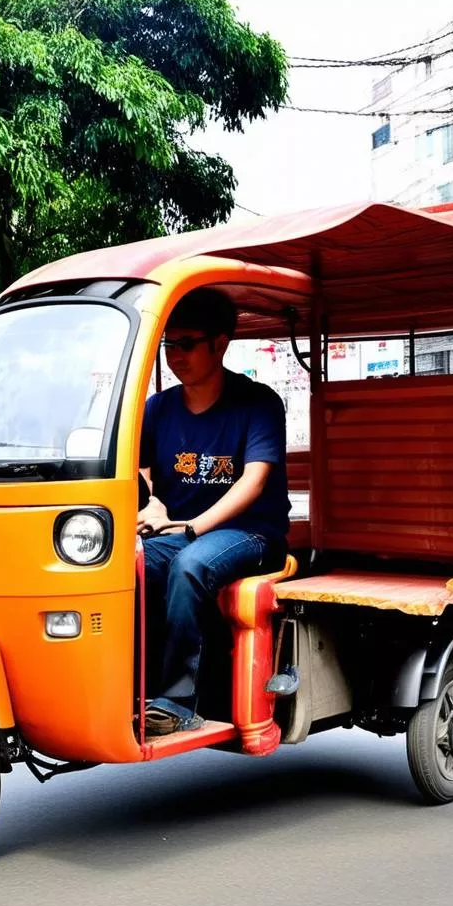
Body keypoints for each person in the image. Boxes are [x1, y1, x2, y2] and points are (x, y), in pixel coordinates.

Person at [138, 288, 290, 736]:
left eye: (186, 344)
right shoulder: (158, 408)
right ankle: (134, 687)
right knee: (129, 563)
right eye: (169, 344)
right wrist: (153, 501)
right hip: (178, 532)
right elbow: (141, 466)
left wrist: (191, 526)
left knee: (190, 565)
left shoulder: (258, 403)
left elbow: (253, 481)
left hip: (251, 534)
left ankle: (177, 702)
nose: (175, 355)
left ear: (220, 344)